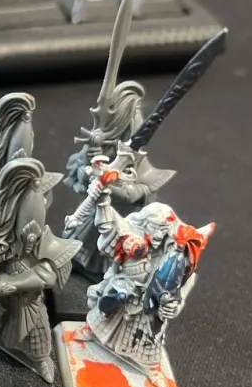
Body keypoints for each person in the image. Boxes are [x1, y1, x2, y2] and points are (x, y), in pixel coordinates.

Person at [68, 155, 214, 387]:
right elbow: (109, 225)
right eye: (153, 229)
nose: (156, 236)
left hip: (149, 305)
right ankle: (91, 330)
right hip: (122, 290)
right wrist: (102, 198)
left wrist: (174, 306)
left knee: (148, 340)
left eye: (162, 232)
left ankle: (153, 368)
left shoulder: (176, 257)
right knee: (104, 313)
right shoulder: (132, 238)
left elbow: (183, 284)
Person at [0, 158, 79, 382]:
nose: (29, 241)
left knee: (37, 336)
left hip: (28, 301)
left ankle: (41, 359)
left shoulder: (46, 244)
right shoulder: (4, 239)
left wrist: (10, 283)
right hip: (1, 299)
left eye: (33, 235)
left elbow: (46, 276)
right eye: (24, 234)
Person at [64, 81, 175, 279]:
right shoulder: (100, 147)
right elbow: (79, 176)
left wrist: (110, 186)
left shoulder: (135, 157)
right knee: (85, 240)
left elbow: (137, 191)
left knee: (112, 251)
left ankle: (106, 275)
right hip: (94, 210)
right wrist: (89, 166)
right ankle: (83, 265)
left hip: (120, 216)